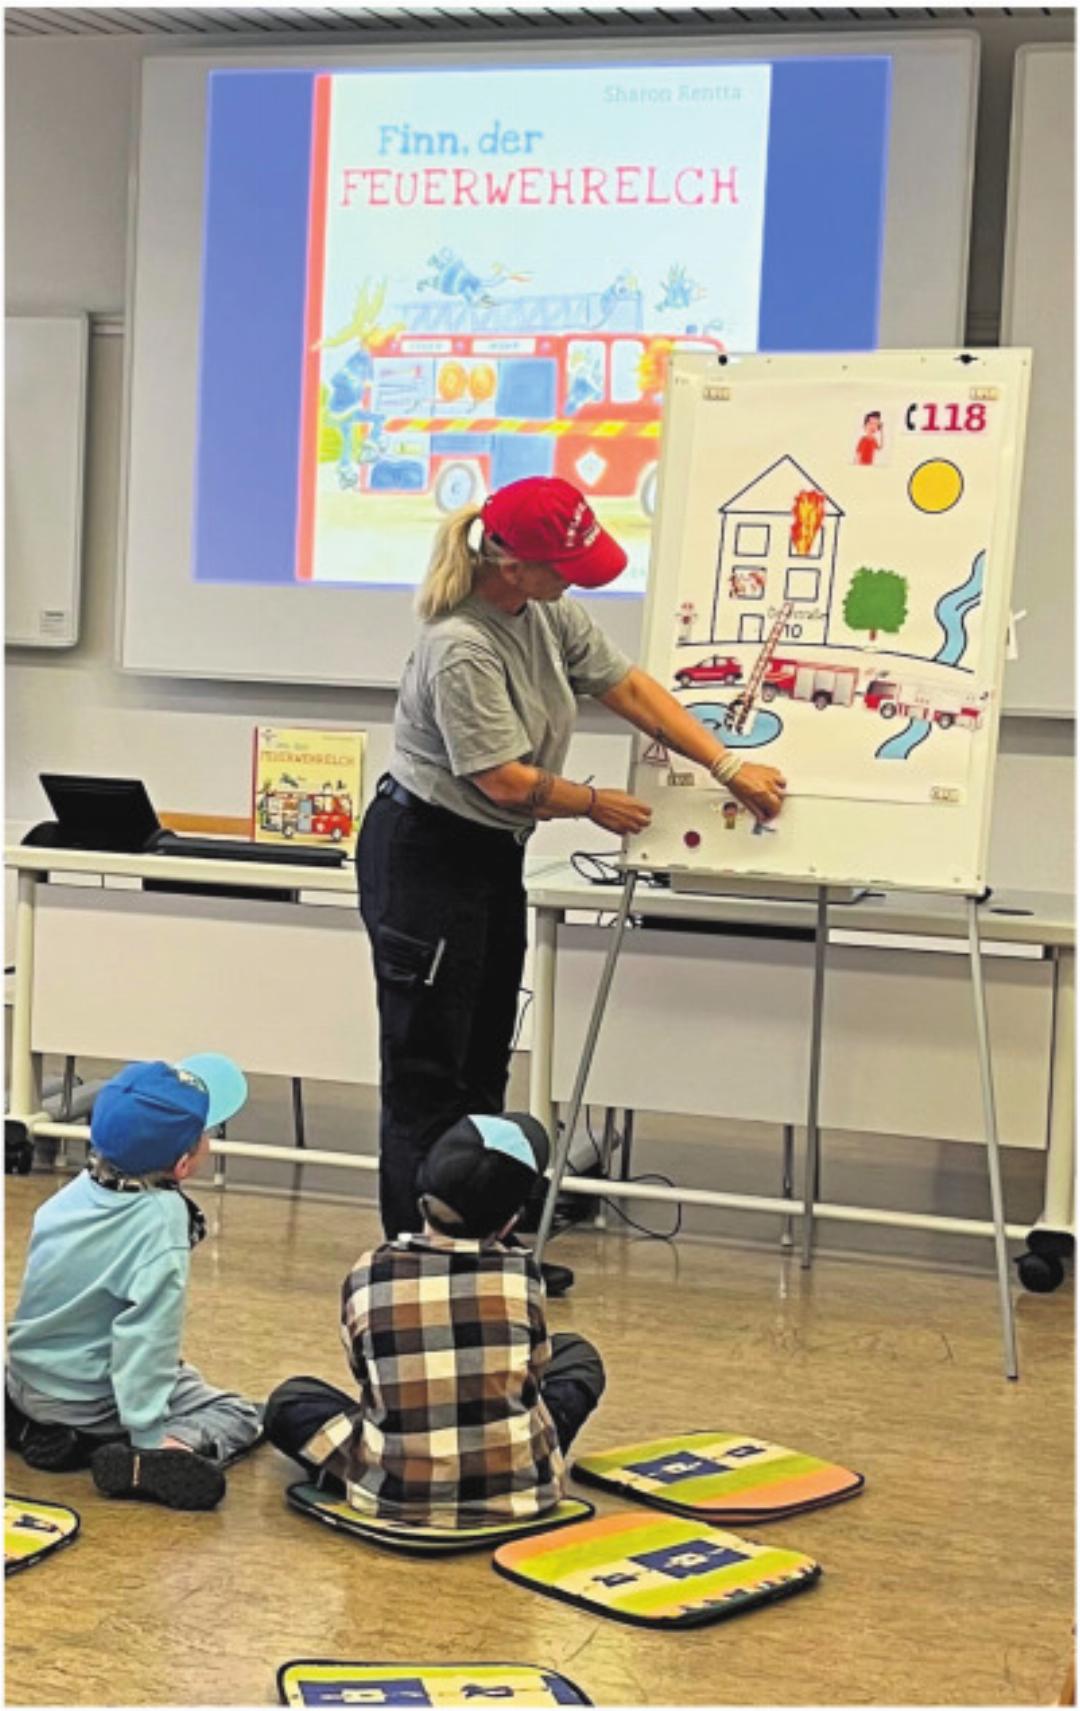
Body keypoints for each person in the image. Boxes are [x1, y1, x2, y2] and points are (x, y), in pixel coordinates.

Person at [358, 475, 787, 1288]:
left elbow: (629, 688)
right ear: (511, 564)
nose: (576, 582)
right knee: (428, 1072)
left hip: (489, 855)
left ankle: (483, 1252)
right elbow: (502, 780)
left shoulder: (546, 612)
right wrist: (595, 804)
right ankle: (419, 1269)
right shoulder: (461, 645)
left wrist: (725, 764)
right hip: (427, 856)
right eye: (565, 566)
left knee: (484, 1062)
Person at [263, 1110, 605, 1528]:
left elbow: (365, 1375)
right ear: (509, 1224)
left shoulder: (368, 1272)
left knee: (291, 1401)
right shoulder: (523, 1276)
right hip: (523, 1493)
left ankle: (373, 1479)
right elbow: (531, 1376)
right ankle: (517, 1467)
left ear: (422, 1194)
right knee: (578, 1356)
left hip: (395, 1492)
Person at [6, 1055, 264, 1512]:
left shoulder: (72, 1193)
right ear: (183, 1165)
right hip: (87, 1399)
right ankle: (147, 1458)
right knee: (238, 1413)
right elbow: (147, 1339)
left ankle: (29, 1425)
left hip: (25, 1377)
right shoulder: (161, 1225)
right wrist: (146, 1432)